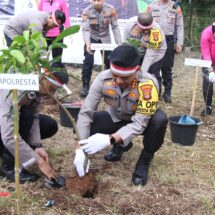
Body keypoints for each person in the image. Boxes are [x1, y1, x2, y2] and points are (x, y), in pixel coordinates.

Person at [73, 44, 168, 186]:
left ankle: (144, 160)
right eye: (115, 75)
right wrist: (80, 147)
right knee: (82, 123)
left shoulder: (148, 84)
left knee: (159, 120)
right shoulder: (102, 78)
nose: (118, 81)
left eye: (125, 77)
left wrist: (110, 139)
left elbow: (139, 124)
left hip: (142, 122)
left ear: (137, 70)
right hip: (117, 117)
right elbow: (86, 112)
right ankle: (122, 145)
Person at [0, 63, 69, 184]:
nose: (51, 94)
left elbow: (35, 117)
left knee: (49, 125)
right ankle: (8, 167)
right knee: (25, 114)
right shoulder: (17, 87)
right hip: (3, 124)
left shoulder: (38, 87)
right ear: (42, 78)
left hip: (9, 125)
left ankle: (22, 150)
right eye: (51, 88)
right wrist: (38, 161)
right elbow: (9, 135)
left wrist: (37, 146)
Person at [80, 0, 122, 97]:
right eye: (94, 0)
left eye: (98, 0)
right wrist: (87, 43)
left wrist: (119, 43)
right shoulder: (87, 11)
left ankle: (111, 85)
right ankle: (85, 85)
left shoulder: (111, 10)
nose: (96, 3)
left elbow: (115, 27)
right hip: (92, 37)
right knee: (88, 60)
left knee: (109, 61)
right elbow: (85, 29)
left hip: (105, 38)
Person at [147, 0, 184, 103]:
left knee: (167, 67)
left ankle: (167, 93)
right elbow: (145, 23)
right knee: (154, 67)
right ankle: (156, 92)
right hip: (154, 39)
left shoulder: (175, 6)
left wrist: (179, 43)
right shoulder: (151, 6)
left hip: (169, 39)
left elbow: (179, 26)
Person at [123, 12, 167, 95]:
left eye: (148, 28)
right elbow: (126, 43)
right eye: (143, 28)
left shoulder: (156, 29)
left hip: (156, 52)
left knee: (153, 72)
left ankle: (156, 93)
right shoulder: (130, 25)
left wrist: (142, 73)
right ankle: (134, 92)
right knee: (134, 70)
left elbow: (151, 54)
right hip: (138, 50)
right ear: (137, 23)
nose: (146, 31)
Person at [200, 21, 215, 116]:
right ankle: (208, 106)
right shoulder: (206, 33)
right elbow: (205, 52)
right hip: (207, 59)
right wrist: (211, 70)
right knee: (207, 81)